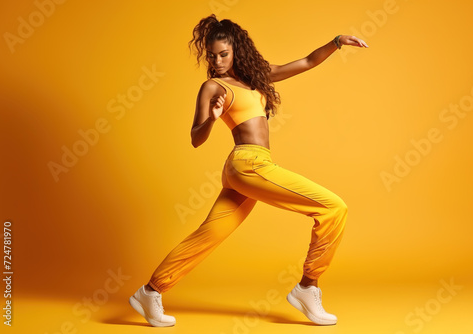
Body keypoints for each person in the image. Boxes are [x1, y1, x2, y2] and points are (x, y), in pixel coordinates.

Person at [129, 14, 368, 327]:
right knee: (334, 207)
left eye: (223, 54)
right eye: (212, 56)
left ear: (236, 51)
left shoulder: (256, 76)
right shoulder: (212, 87)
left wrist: (336, 43)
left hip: (248, 169)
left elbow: (307, 62)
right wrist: (213, 118)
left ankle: (150, 291)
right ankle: (308, 286)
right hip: (248, 164)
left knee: (210, 234)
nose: (216, 61)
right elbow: (195, 139)